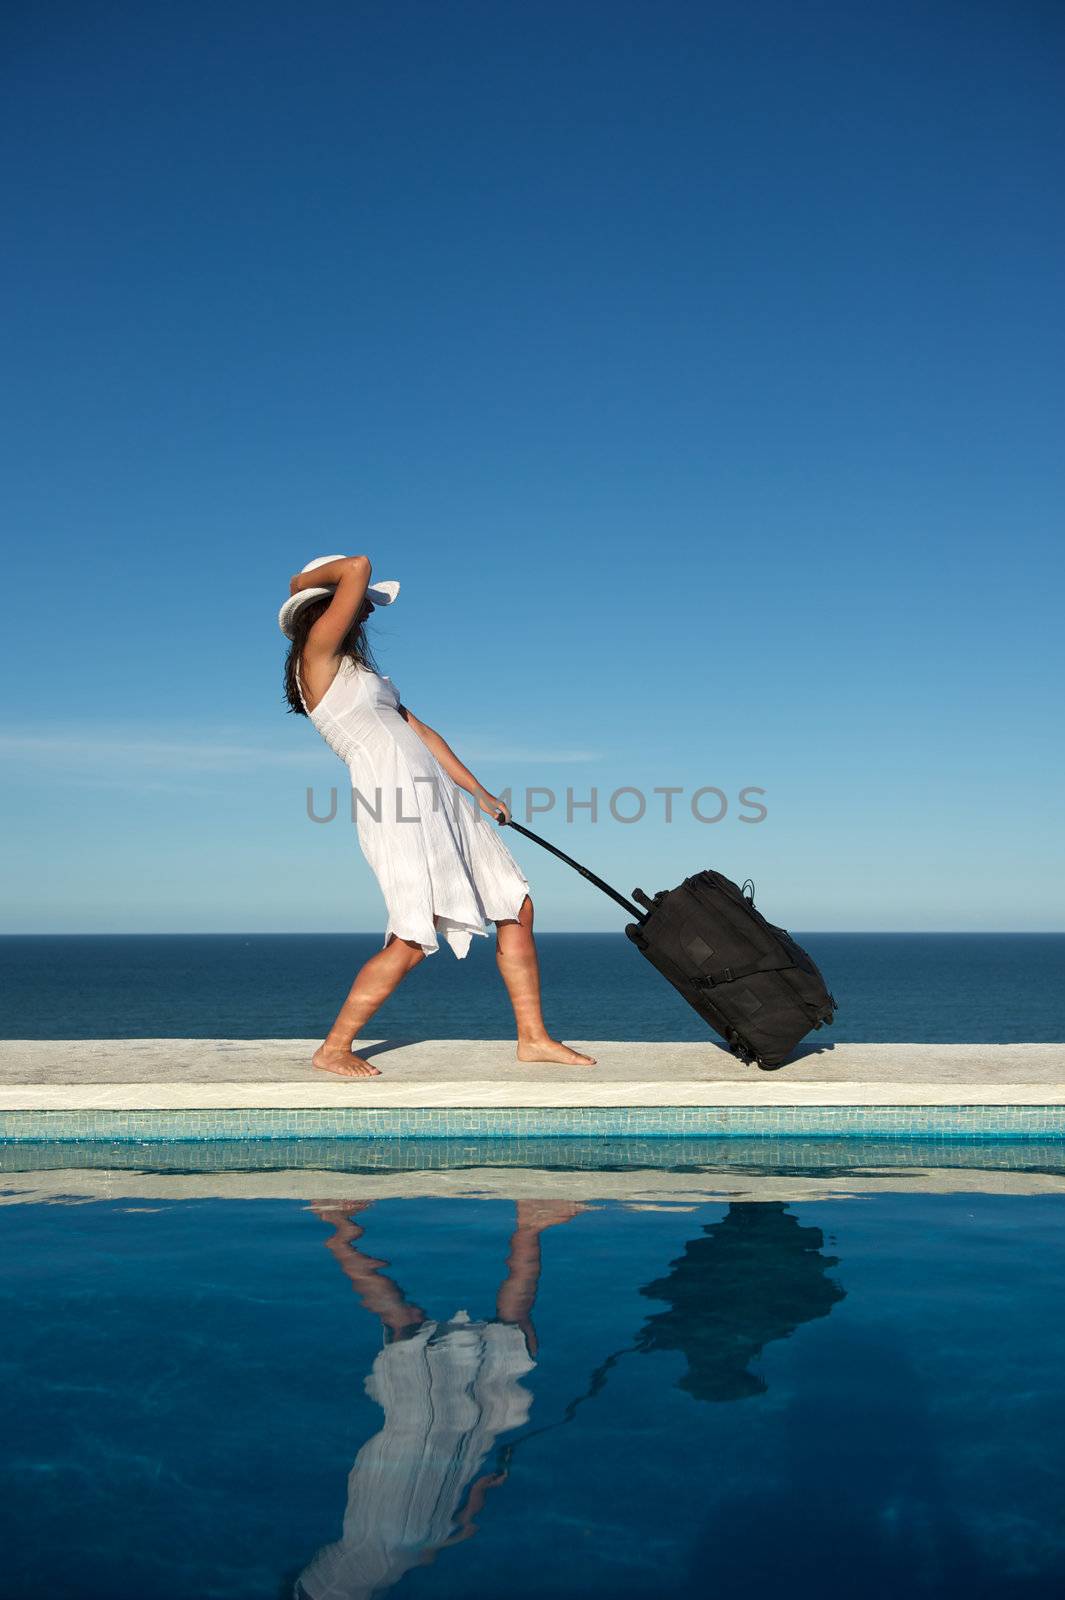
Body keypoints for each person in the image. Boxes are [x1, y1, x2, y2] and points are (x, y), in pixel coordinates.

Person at [280, 555, 595, 1077]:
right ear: (325, 606)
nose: (363, 615)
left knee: (515, 904)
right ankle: (333, 1047)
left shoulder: (365, 675)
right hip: (392, 800)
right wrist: (300, 582)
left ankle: (533, 1037)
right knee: (413, 932)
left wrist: (479, 792)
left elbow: (423, 734)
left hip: (437, 797)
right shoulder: (316, 657)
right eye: (355, 605)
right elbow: (358, 565)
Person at [294, 1200, 584, 1600]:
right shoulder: (396, 1563)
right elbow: (450, 1539)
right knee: (492, 1337)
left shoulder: (371, 1571)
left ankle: (341, 1230)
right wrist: (477, 1498)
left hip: (417, 1456)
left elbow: (321, 1588)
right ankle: (528, 1226)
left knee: (425, 1330)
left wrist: (474, 1505)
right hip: (451, 1452)